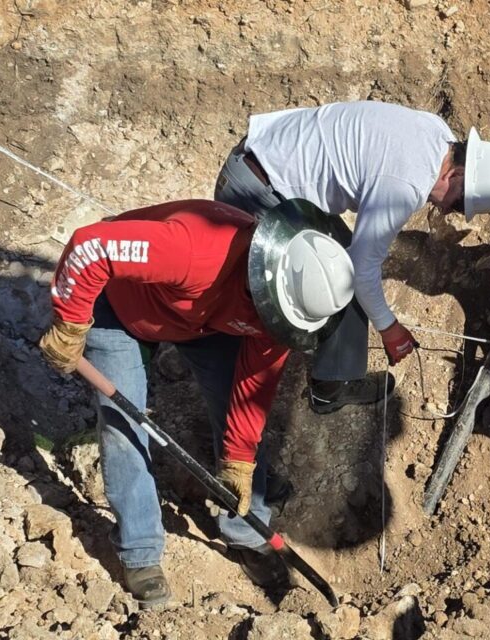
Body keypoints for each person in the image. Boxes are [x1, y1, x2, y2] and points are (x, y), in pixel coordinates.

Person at [37, 198, 355, 607]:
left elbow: (250, 393)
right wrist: (70, 319)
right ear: (266, 282)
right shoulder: (195, 250)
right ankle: (140, 552)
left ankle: (245, 532)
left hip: (202, 324)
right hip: (120, 307)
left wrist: (238, 459)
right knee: (123, 423)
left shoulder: (280, 319)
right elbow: (90, 246)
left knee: (240, 437)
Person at [213, 100, 490, 414]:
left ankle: (333, 381)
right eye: (456, 203)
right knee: (315, 286)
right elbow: (360, 271)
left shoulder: (439, 137)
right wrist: (389, 328)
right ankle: (233, 379)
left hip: (263, 164)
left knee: (341, 256)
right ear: (453, 176)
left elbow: (478, 175)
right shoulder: (405, 183)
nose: (447, 210)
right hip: (256, 195)